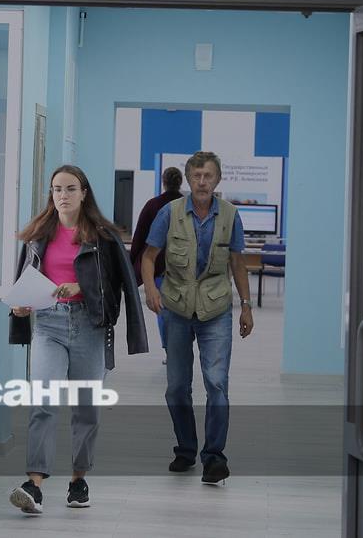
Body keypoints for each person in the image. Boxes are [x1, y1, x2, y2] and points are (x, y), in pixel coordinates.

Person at [7, 164, 148, 514]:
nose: (63, 196)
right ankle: (34, 484)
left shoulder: (102, 237)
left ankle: (78, 480)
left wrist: (80, 287)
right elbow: (25, 280)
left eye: (70, 189)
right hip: (49, 326)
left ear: (84, 193)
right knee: (43, 402)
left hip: (90, 326)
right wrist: (21, 306)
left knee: (86, 409)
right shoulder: (39, 234)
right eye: (57, 189)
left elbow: (120, 286)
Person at [140, 151, 254, 485]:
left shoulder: (230, 215)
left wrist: (246, 305)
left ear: (217, 179)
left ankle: (214, 457)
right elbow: (149, 256)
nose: (202, 182)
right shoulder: (170, 213)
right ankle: (186, 448)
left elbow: (237, 262)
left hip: (216, 310)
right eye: (197, 176)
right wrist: (151, 289)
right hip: (176, 308)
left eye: (208, 176)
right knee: (177, 387)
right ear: (188, 179)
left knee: (216, 383)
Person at [129, 166, 185, 363]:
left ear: (163, 182)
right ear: (181, 182)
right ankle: (179, 349)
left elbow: (139, 236)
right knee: (183, 312)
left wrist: (132, 265)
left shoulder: (153, 205)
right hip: (183, 268)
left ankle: (170, 350)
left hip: (159, 268)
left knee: (163, 311)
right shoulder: (188, 205)